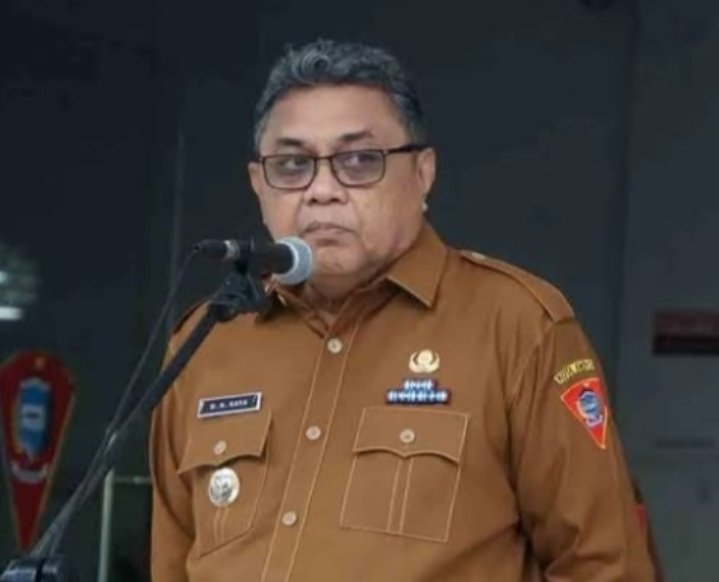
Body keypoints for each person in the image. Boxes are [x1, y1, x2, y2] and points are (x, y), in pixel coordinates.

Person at [149, 39, 657, 581]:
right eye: (293, 165)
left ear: (422, 173)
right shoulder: (209, 339)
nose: (322, 190)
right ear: (258, 184)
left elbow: (604, 565)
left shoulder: (517, 325)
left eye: (359, 161)